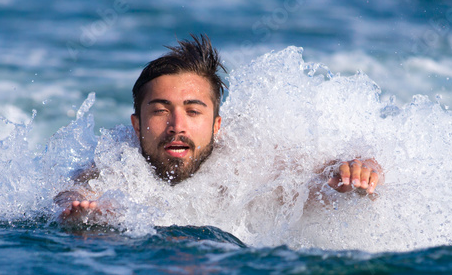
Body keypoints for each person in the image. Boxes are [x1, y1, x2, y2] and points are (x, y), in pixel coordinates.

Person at [56, 34, 383, 224]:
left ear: (217, 125)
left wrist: (356, 172)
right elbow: (74, 194)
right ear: (136, 124)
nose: (177, 127)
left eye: (193, 111)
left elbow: (314, 178)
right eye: (160, 111)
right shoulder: (118, 162)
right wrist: (85, 214)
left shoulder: (247, 159)